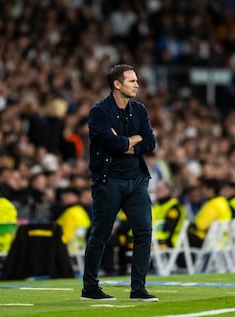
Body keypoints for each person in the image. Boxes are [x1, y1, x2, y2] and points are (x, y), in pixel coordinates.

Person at [81, 64, 157, 301]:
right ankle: (90, 287)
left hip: (137, 180)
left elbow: (150, 143)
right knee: (101, 233)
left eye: (136, 81)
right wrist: (131, 141)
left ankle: (138, 289)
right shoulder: (99, 112)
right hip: (108, 180)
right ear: (117, 84)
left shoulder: (140, 110)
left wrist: (127, 143)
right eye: (132, 81)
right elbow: (112, 145)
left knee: (144, 232)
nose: (137, 84)